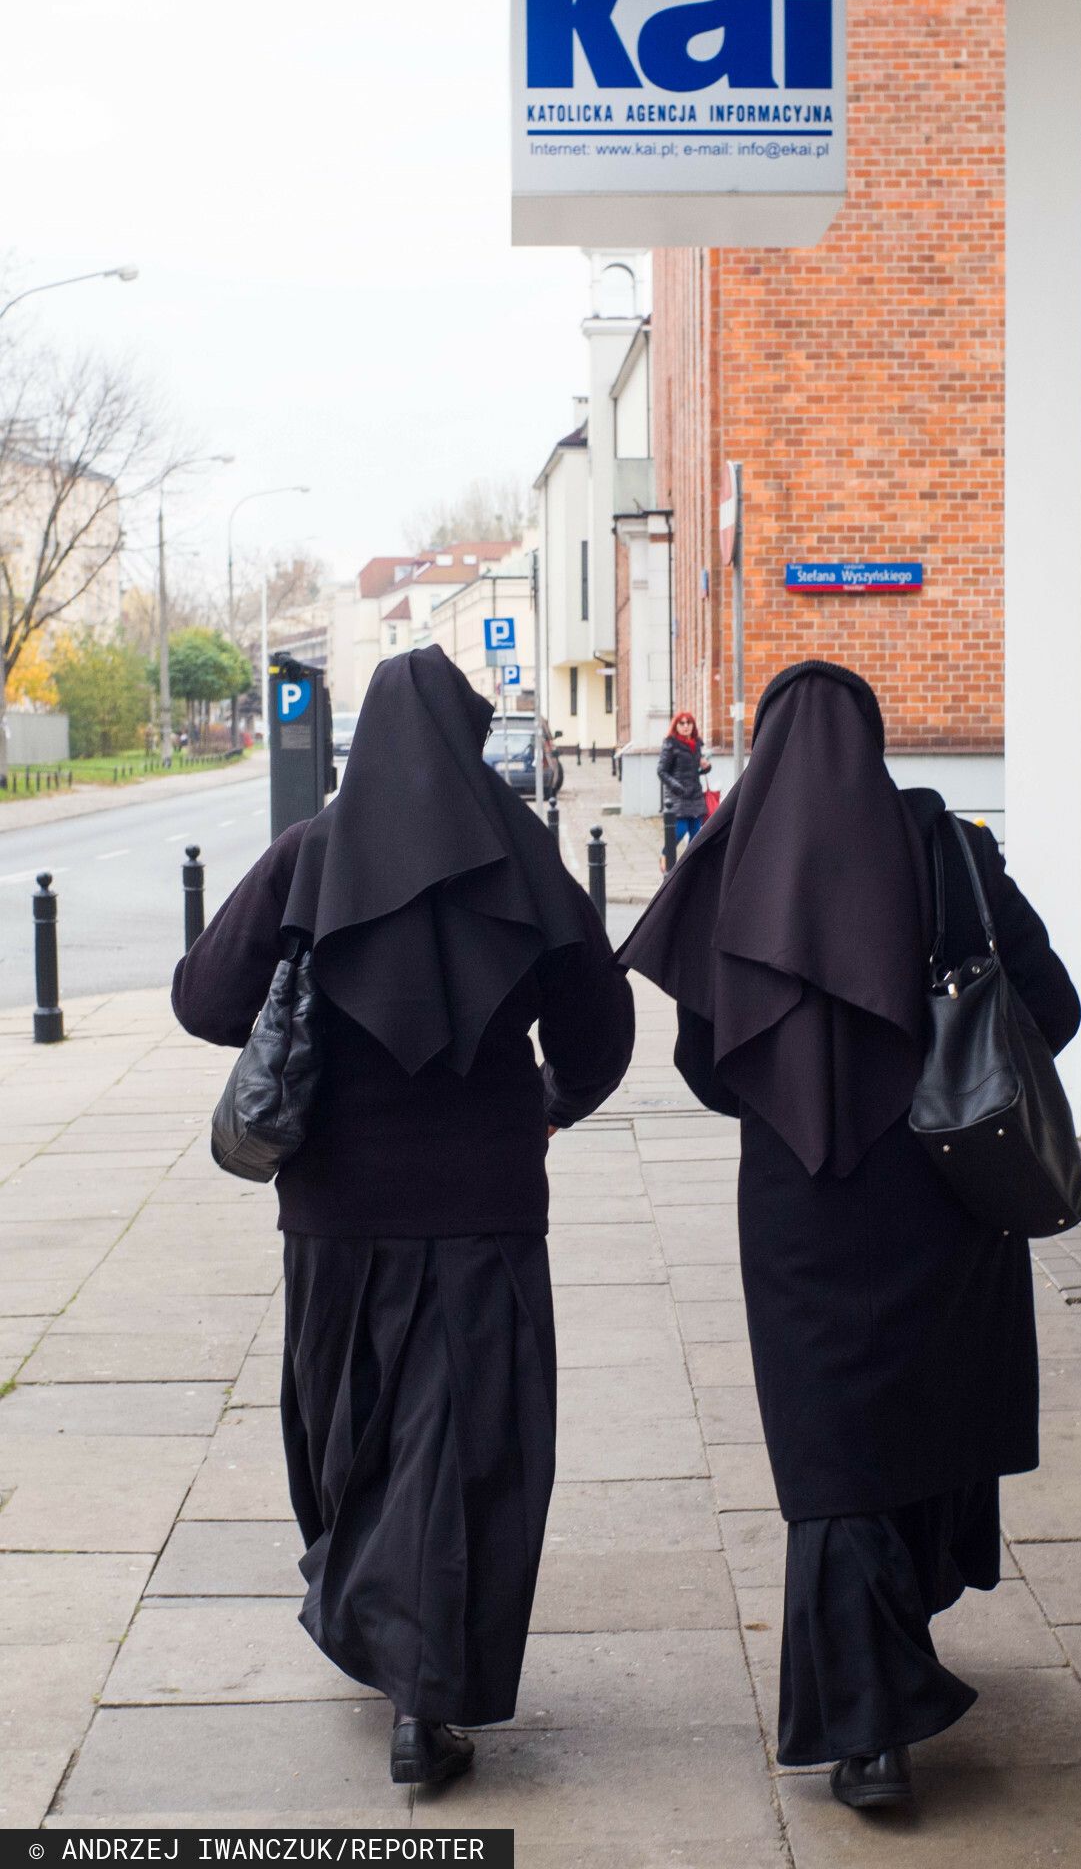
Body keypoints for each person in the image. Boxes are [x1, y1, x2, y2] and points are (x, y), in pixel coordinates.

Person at [619, 661, 1079, 1813]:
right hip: (941, 1194)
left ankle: (870, 1726)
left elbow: (703, 1067)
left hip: (798, 1212)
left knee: (831, 1451)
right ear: (873, 739)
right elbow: (1054, 1007)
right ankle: (884, 1687)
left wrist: (798, 1085)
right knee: (920, 1420)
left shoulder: (727, 865)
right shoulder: (946, 845)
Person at [172, 646, 635, 1789]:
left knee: (356, 1433)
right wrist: (551, 1105)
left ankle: (395, 1655)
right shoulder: (524, 854)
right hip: (483, 1205)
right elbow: (602, 1030)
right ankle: (427, 1690)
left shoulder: (314, 855)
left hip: (338, 1211)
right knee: (466, 1441)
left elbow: (201, 997)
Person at [657, 709, 710, 846]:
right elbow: (661, 770)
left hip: (695, 795)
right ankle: (665, 858)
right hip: (678, 795)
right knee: (679, 831)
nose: (686, 726)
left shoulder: (697, 744)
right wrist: (675, 786)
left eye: (689, 723)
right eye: (682, 723)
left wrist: (706, 767)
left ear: (693, 725)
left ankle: (689, 865)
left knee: (696, 835)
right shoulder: (670, 744)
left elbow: (696, 771)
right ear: (676, 726)